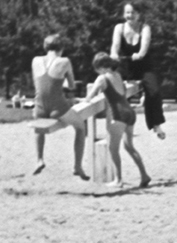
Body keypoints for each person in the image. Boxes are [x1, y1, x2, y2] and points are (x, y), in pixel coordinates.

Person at [89, 53, 150, 189]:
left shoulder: (102, 78)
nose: (96, 72)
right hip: (129, 112)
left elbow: (90, 96)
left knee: (113, 149)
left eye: (96, 69)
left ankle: (118, 180)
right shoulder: (118, 75)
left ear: (101, 67)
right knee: (129, 147)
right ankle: (144, 175)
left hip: (118, 114)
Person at [31, 34, 87, 179]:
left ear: (45, 47)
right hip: (57, 106)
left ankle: (39, 160)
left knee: (39, 127)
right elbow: (72, 85)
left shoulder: (35, 60)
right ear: (61, 48)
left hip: (39, 106)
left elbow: (40, 84)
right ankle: (77, 166)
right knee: (80, 127)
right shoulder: (65, 61)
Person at [111, 2, 164, 140]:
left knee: (154, 91)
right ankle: (116, 120)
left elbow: (144, 46)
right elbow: (115, 45)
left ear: (139, 14)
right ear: (124, 14)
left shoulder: (145, 28)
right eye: (127, 12)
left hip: (144, 66)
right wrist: (114, 54)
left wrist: (140, 54)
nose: (130, 15)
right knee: (112, 86)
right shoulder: (119, 28)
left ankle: (156, 123)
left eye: (133, 12)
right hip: (126, 67)